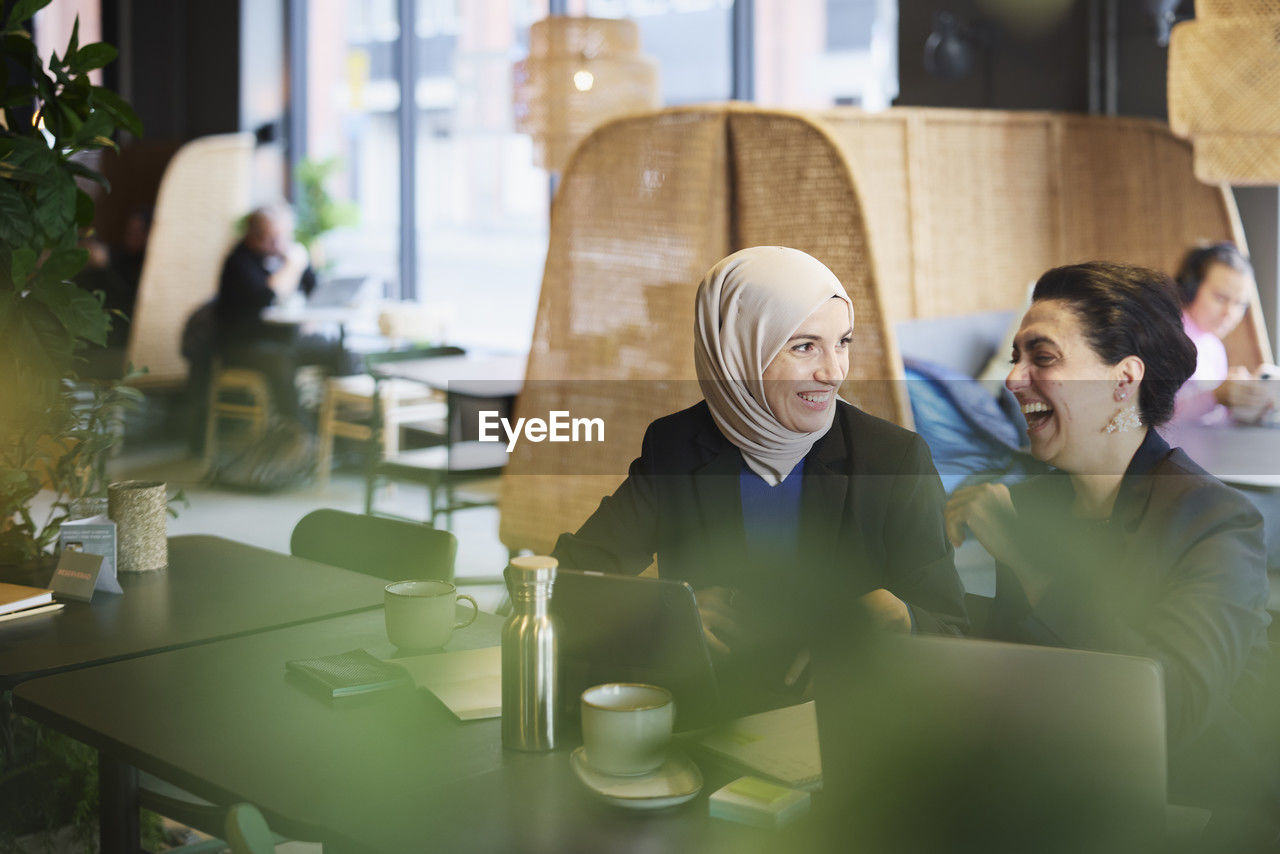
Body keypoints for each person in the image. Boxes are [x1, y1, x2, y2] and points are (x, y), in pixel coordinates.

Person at [552, 246, 968, 711]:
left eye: (843, 342)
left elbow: (953, 628)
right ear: (738, 351)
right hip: (709, 714)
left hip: (853, 726)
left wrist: (900, 618)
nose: (834, 372)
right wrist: (668, 617)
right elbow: (566, 579)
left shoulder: (893, 459)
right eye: (804, 346)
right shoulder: (675, 446)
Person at [945, 262, 1276, 844]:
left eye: (1041, 358)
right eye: (1017, 357)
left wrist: (1033, 565)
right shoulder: (1033, 506)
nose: (1013, 379)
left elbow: (1169, 712)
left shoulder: (1216, 521)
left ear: (1122, 382)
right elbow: (1022, 667)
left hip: (1194, 814)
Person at [213, 204, 343, 420]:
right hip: (243, 344)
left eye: (284, 234)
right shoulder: (239, 261)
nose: (279, 242)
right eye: (273, 235)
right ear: (254, 234)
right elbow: (265, 296)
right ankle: (297, 431)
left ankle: (337, 424)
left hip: (285, 339)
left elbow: (316, 291)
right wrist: (292, 265)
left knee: (337, 351)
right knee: (280, 360)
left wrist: (302, 265)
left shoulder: (284, 256)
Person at [1173, 242, 1275, 425]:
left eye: (1240, 304)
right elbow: (1157, 415)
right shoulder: (1164, 335)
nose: (1230, 313)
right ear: (1190, 289)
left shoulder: (1213, 345)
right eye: (1221, 298)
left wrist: (1245, 401)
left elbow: (1212, 418)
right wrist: (1215, 396)